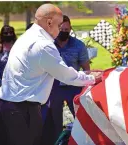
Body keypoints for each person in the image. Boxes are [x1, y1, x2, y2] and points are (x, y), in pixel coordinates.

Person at [0, 3, 100, 145]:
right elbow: (66, 75)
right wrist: (92, 78)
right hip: (23, 111)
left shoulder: (27, 36)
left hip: (7, 106)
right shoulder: (43, 44)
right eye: (59, 26)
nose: (60, 31)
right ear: (49, 22)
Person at [42, 15, 91, 144]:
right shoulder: (49, 45)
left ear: (70, 29)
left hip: (73, 86)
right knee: (54, 120)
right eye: (61, 29)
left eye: (66, 30)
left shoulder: (78, 45)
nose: (64, 32)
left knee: (80, 118)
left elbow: (86, 68)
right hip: (54, 86)